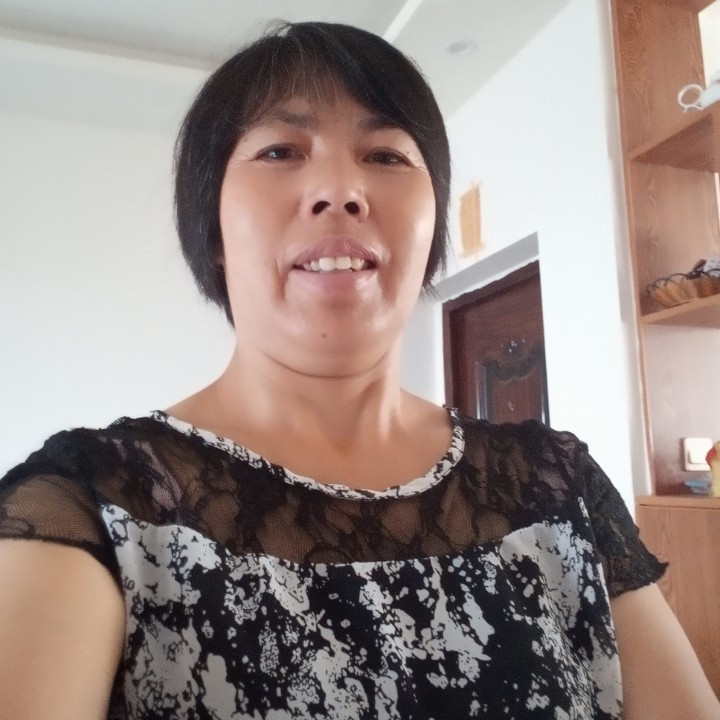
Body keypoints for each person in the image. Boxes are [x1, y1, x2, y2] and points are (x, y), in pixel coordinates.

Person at [0, 21, 717, 720]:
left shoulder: (558, 488)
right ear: (211, 225)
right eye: (280, 151)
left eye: (385, 155)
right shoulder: (91, 505)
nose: (340, 189)